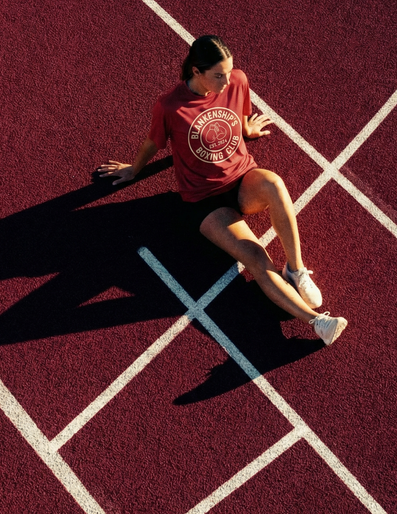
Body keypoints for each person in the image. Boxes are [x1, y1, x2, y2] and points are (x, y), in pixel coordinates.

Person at [98, 35, 347, 345]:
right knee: (256, 256)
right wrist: (134, 170)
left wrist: (247, 130)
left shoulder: (237, 81)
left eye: (229, 72)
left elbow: (239, 115)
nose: (227, 81)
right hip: (204, 202)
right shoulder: (171, 105)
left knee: (274, 184)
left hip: (242, 179)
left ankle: (296, 270)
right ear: (195, 71)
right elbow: (154, 142)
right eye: (218, 75)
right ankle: (317, 323)